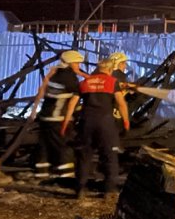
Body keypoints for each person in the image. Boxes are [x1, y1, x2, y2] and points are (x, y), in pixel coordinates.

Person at [61, 58, 129, 199]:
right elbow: (121, 103)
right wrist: (126, 121)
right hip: (105, 123)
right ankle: (109, 190)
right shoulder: (112, 82)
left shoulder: (85, 82)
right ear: (110, 70)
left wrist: (66, 121)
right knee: (109, 156)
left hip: (86, 123)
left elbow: (72, 103)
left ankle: (80, 188)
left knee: (84, 156)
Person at [32, 50, 84, 178]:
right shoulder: (70, 78)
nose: (79, 66)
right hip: (59, 118)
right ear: (71, 63)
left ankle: (41, 173)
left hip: (45, 116)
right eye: (77, 63)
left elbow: (41, 91)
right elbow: (73, 101)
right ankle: (66, 175)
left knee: (44, 145)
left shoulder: (54, 74)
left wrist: (34, 111)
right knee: (64, 145)